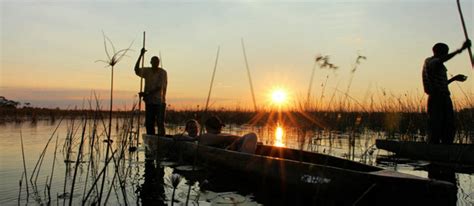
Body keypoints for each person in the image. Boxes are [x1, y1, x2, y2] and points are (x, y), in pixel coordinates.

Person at [422, 40, 471, 144]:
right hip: (437, 98)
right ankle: (435, 148)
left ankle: (446, 146)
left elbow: (440, 84)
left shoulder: (435, 63)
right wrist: (461, 50)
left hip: (443, 97)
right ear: (441, 52)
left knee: (448, 124)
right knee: (437, 123)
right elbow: (439, 61)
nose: (447, 54)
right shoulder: (431, 62)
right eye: (446, 52)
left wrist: (454, 79)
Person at [135, 48, 168, 136]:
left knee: (160, 123)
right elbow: (136, 70)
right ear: (151, 62)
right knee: (149, 123)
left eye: (156, 62)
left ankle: (161, 140)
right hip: (149, 102)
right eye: (153, 62)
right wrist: (141, 55)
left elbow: (160, 87)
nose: (155, 63)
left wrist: (146, 93)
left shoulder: (162, 72)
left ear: (158, 63)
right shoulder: (147, 71)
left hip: (160, 102)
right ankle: (151, 140)